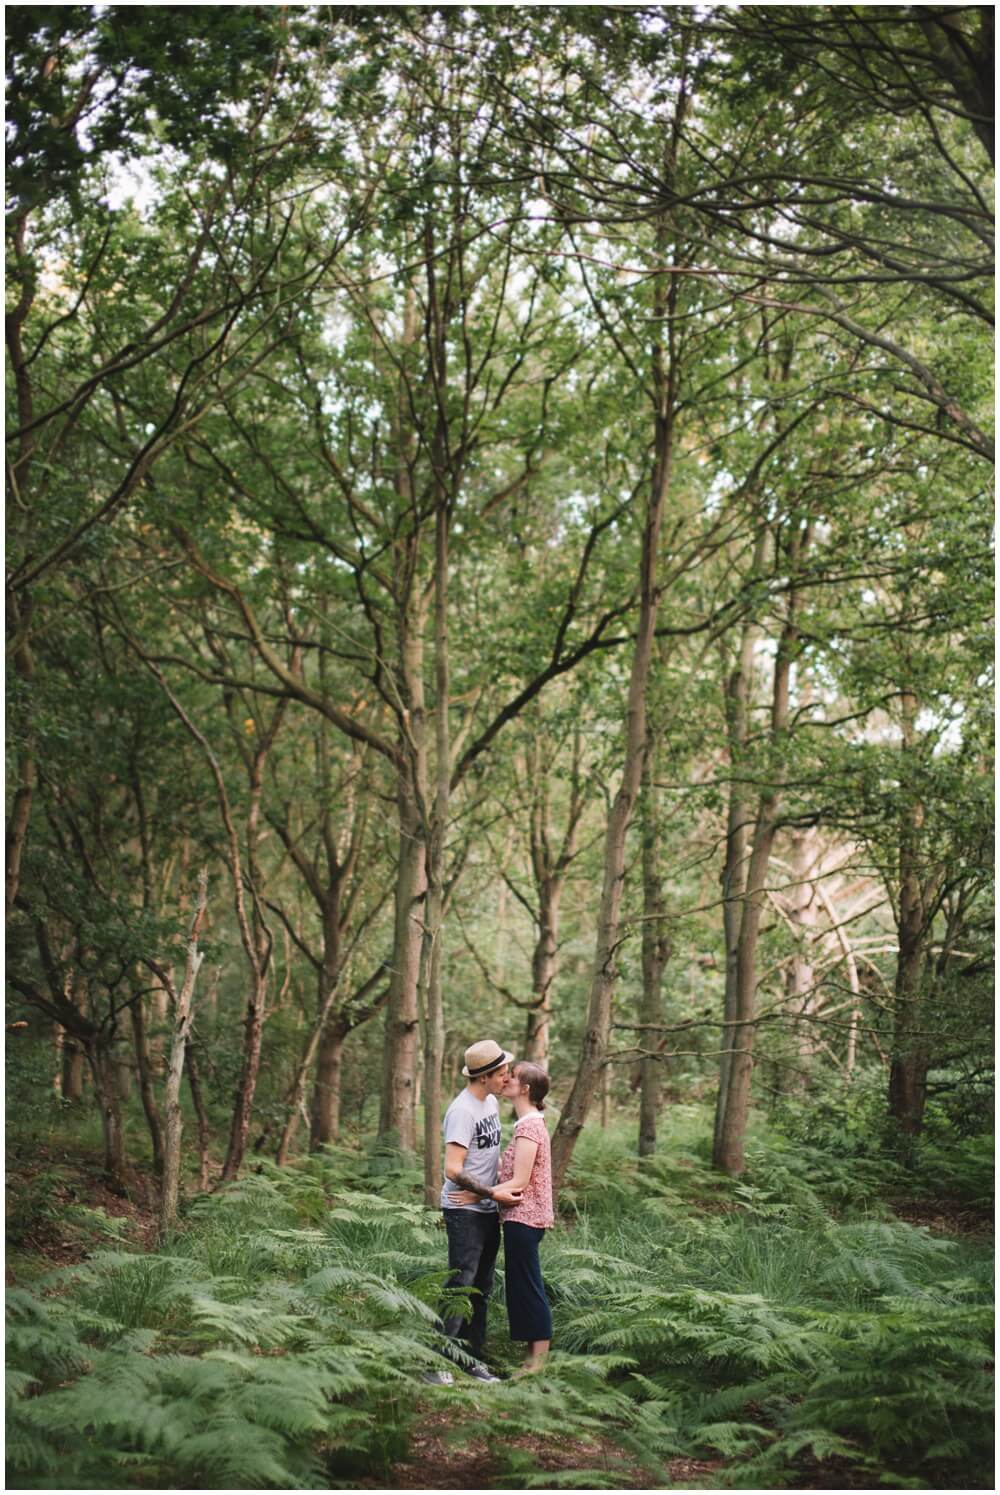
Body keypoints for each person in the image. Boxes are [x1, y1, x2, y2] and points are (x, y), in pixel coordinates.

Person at [427, 1038, 523, 1385]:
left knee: (481, 1286)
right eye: (502, 1073)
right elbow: (453, 1169)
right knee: (461, 1284)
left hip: (484, 1207)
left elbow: (488, 1157)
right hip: (463, 1210)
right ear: (483, 1076)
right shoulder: (462, 1111)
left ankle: (469, 1358)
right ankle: (436, 1361)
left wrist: (491, 1196)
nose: (507, 1077)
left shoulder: (492, 1103)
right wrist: (485, 1192)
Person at [495, 1060, 554, 1375]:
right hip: (521, 1218)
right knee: (522, 1284)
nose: (506, 1080)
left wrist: (477, 1192)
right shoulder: (527, 1124)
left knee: (528, 1285)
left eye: (513, 1077)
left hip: (526, 1217)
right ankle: (532, 1361)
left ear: (526, 1089)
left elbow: (519, 1182)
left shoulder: (530, 1126)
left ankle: (537, 1364)